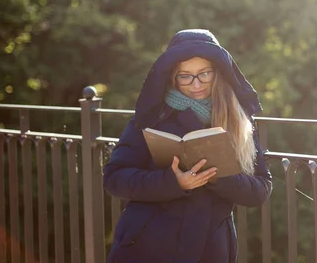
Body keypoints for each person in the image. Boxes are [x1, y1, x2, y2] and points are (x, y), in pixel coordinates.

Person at [104, 29, 272, 263]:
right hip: (148, 247)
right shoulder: (152, 115)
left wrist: (218, 176)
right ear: (172, 77)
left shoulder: (240, 120)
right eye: (185, 76)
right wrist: (173, 182)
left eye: (204, 74)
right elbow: (115, 179)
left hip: (211, 251)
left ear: (219, 73)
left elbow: (261, 189)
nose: (196, 85)